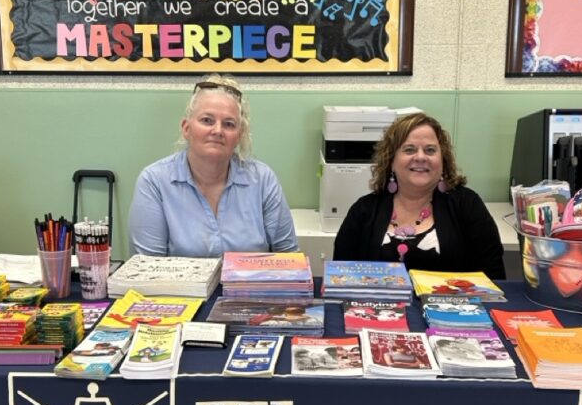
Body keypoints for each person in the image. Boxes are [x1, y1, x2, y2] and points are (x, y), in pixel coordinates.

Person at [128, 74, 298, 257]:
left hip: (252, 286)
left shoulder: (263, 180)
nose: (217, 131)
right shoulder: (154, 182)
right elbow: (146, 270)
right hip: (178, 286)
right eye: (207, 120)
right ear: (186, 128)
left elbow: (289, 258)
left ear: (239, 135)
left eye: (229, 124)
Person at [333, 112, 505, 279]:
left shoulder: (467, 205)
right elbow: (340, 277)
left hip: (454, 307)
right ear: (391, 161)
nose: (421, 157)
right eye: (409, 150)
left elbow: (493, 277)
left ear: (442, 160)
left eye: (430, 150)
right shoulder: (364, 210)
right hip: (376, 307)